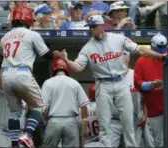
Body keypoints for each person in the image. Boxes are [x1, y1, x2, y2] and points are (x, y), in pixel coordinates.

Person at [60, 14, 167, 147]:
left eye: (94, 27)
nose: (91, 30)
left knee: (128, 122)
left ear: (102, 26)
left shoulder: (119, 39)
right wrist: (67, 60)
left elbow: (140, 50)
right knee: (104, 125)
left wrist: (160, 56)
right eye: (90, 27)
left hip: (121, 81)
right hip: (102, 84)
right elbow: (78, 67)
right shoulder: (88, 47)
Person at [0, 7, 61, 148]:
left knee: (14, 112)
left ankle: (15, 143)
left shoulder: (4, 38)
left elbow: (1, 57)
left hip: (7, 75)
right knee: (40, 107)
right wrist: (56, 53)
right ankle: (28, 135)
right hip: (22, 73)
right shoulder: (31, 34)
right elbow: (46, 55)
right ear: (27, 19)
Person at [41, 58, 89, 147]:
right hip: (71, 122)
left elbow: (44, 108)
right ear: (67, 69)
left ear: (53, 70)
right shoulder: (74, 83)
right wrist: (85, 123)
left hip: (53, 121)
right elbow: (84, 106)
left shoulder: (48, 83)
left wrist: (46, 121)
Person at [105, 51, 147, 147]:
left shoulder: (136, 75)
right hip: (114, 121)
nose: (123, 58)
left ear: (129, 58)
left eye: (125, 55)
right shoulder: (110, 76)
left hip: (134, 121)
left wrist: (145, 114)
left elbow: (146, 96)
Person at [134, 33, 167, 147]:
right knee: (159, 141)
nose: (161, 52)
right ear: (151, 48)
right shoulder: (141, 61)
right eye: (158, 49)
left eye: (163, 49)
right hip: (154, 108)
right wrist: (151, 85)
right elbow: (137, 84)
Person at [0, 71, 27, 147]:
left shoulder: (25, 97)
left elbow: (26, 118)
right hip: (3, 135)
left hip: (20, 135)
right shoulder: (2, 93)